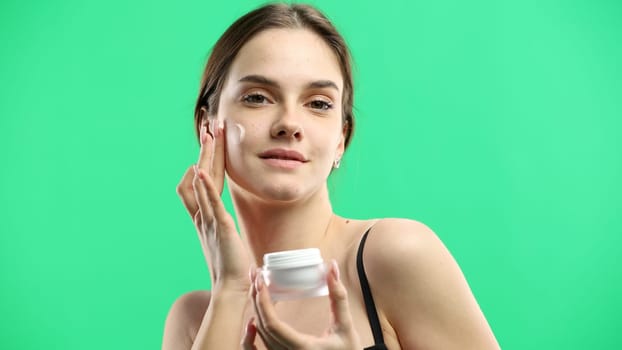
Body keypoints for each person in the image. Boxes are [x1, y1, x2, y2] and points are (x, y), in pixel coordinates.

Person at [162, 3, 500, 349]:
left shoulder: (394, 255)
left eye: (319, 103)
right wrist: (230, 287)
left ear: (342, 138)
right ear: (207, 124)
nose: (289, 124)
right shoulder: (193, 319)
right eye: (258, 97)